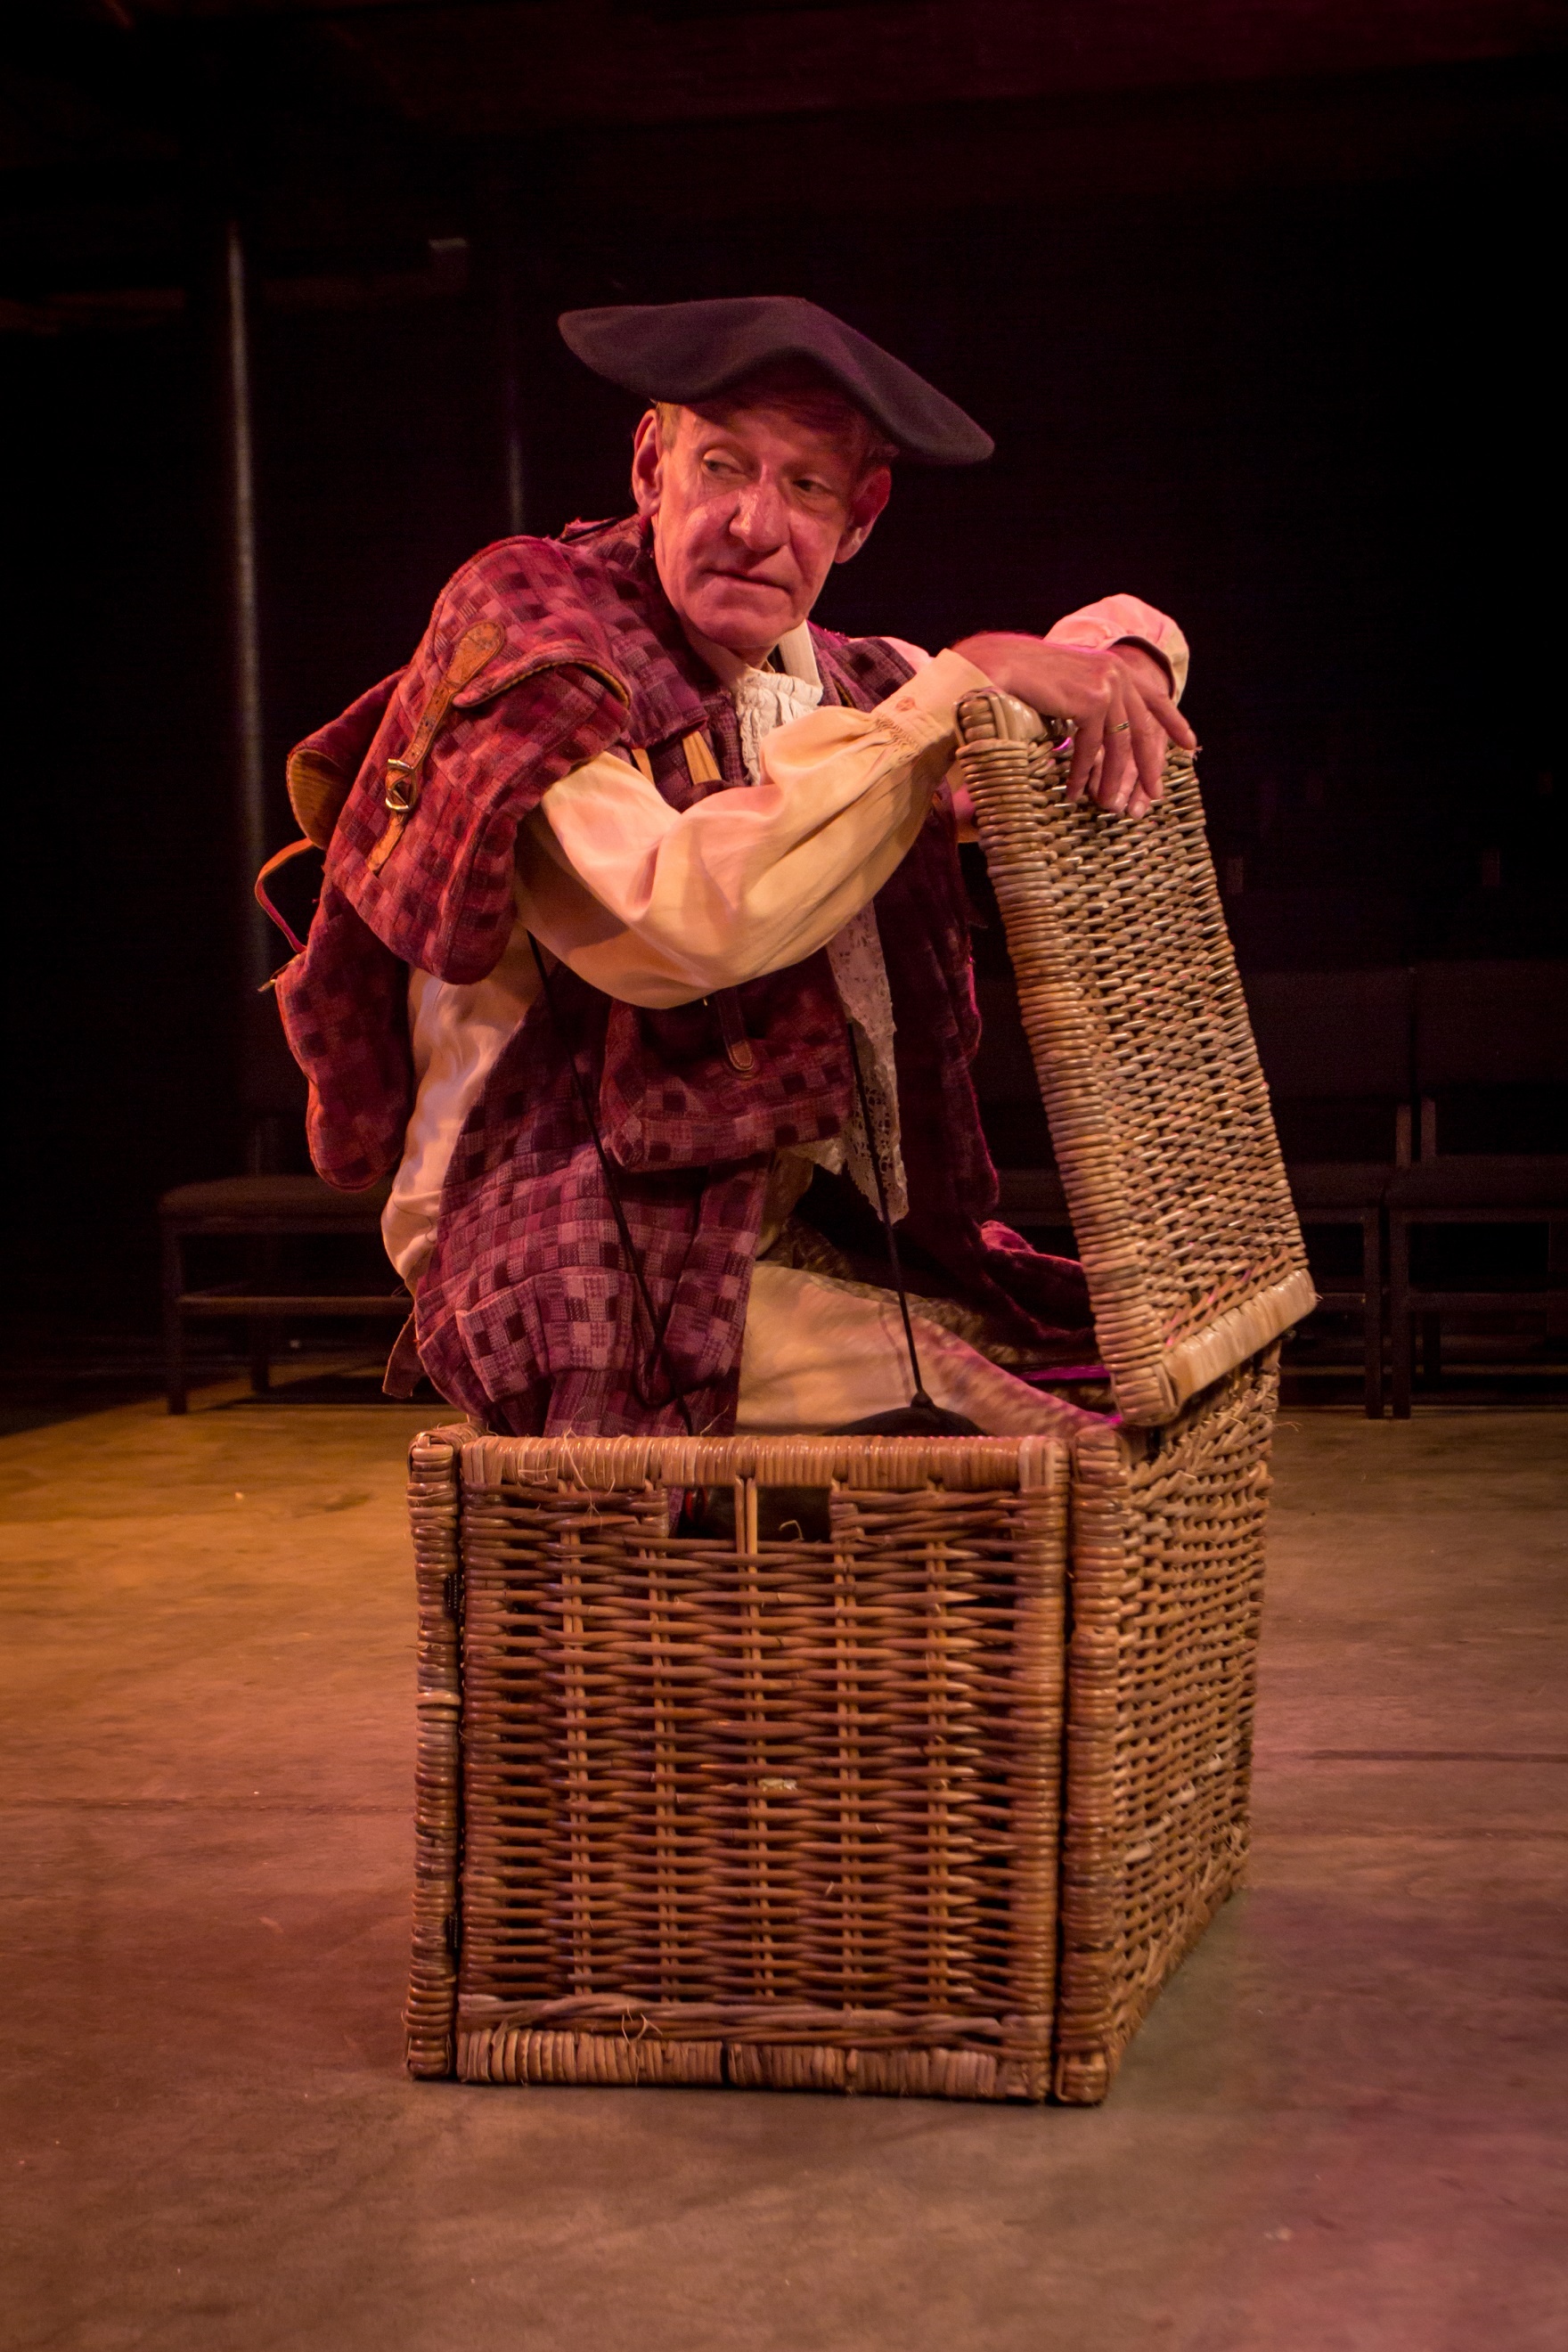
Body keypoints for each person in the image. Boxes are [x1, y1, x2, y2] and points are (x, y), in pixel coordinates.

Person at [272, 297, 1194, 1438]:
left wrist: (1125, 658)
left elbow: (1024, 697)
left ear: (859, 515)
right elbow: (680, 923)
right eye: (721, 467)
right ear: (649, 467)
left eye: (806, 486)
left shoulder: (850, 684)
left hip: (772, 1216)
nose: (756, 525)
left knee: (1112, 1372)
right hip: (551, 1221)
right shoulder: (541, 636)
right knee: (1018, 1433)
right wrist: (955, 696)